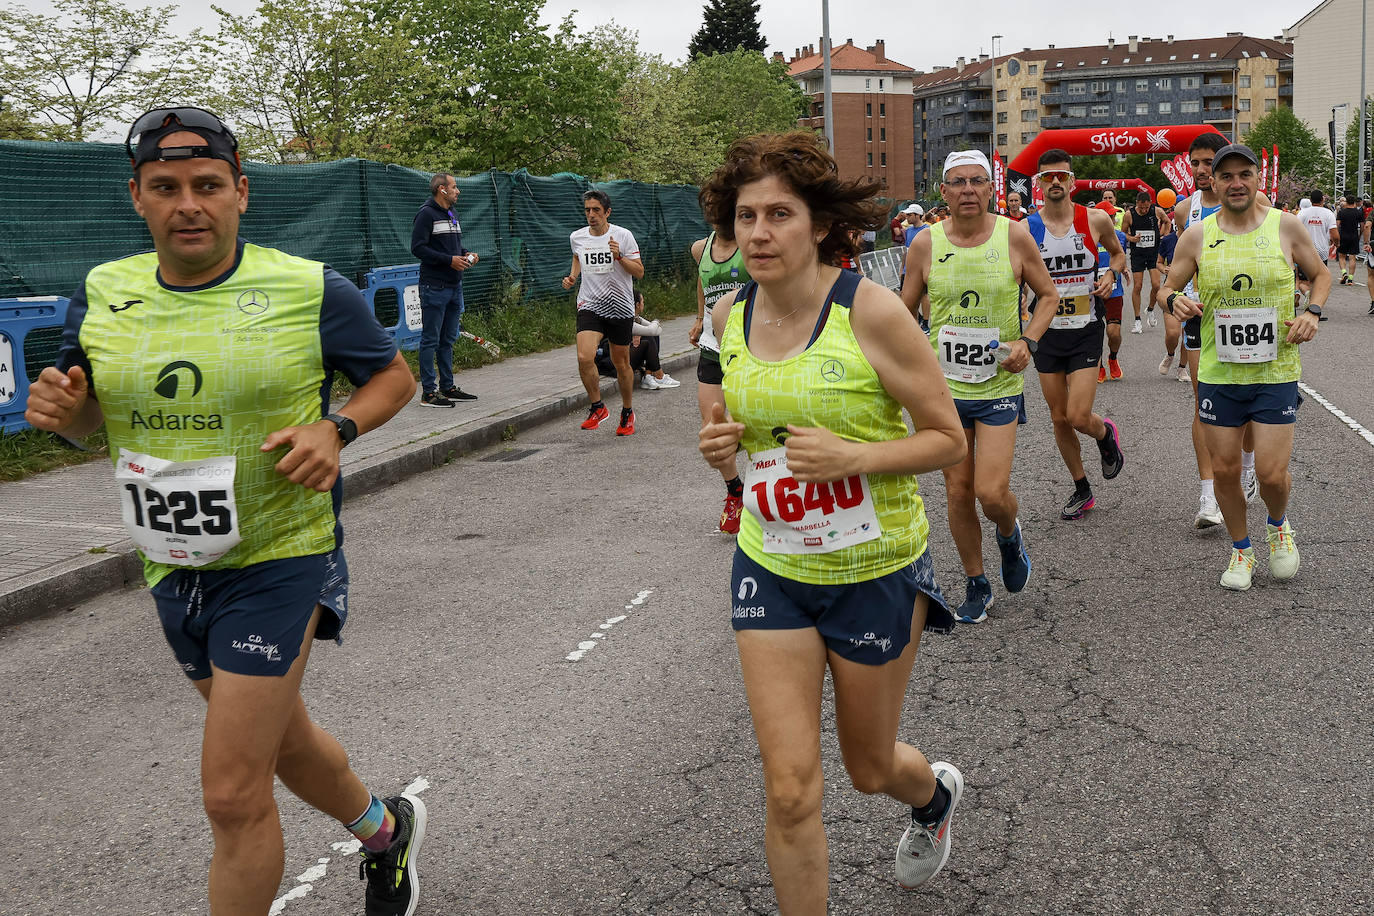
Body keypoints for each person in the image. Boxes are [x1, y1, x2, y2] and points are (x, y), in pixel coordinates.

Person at [24, 107, 424, 916]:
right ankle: (386, 833)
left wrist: (335, 428)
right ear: (136, 198)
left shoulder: (308, 287)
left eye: (208, 185)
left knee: (232, 794)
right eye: (165, 187)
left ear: (241, 192)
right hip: (172, 562)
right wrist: (67, 418)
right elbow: (88, 414)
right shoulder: (104, 292)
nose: (188, 204)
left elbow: (395, 378)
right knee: (285, 743)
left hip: (281, 557)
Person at [697, 131, 967, 911]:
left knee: (870, 768)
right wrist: (721, 453)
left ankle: (933, 797)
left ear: (818, 225)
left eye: (779, 214)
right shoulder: (727, 316)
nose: (758, 232)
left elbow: (947, 438)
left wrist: (853, 458)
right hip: (772, 565)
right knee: (788, 789)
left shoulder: (871, 312)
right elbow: (734, 443)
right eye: (745, 216)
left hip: (874, 570)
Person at [1158, 143, 1327, 590]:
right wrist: (1174, 299)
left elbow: (1321, 274)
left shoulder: (1285, 227)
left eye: (1244, 175)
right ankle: (1241, 549)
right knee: (1227, 471)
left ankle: (1278, 526)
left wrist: (1312, 312)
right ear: (1213, 182)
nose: (1236, 183)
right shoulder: (1196, 235)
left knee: (1271, 473)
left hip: (1276, 370)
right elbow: (1166, 286)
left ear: (1257, 180)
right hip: (1219, 372)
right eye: (1226, 176)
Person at [900, 149, 1059, 624]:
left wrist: (1027, 341)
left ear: (991, 190)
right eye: (958, 182)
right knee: (957, 491)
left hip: (997, 387)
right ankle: (977, 581)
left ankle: (1009, 533)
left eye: (977, 181)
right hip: (944, 391)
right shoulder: (924, 244)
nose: (968, 190)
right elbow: (902, 310)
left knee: (991, 493)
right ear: (943, 192)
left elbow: (1049, 296)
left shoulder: (1014, 237)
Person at [1024, 150, 1127, 520]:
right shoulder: (1024, 229)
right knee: (1058, 417)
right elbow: (1016, 277)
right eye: (1047, 177)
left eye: (1061, 176)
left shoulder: (1095, 219)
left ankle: (1104, 435)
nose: (1055, 182)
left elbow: (1117, 255)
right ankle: (1082, 487)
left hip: (1085, 328)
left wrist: (1110, 274)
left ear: (1072, 181)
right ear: (1039, 183)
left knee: (1078, 414)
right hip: (1046, 331)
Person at [1174, 132, 1263, 527]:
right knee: (1202, 401)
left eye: (1209, 163)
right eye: (1195, 163)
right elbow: (1177, 268)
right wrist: (1174, 296)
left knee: (1243, 407)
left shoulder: (1257, 203)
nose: (1201, 171)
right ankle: (1208, 495)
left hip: (1246, 317)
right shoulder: (1183, 211)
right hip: (1202, 317)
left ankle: (1246, 467)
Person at [563, 189, 645, 435]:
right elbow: (578, 257)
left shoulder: (623, 235)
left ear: (607, 212)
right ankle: (597, 406)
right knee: (584, 356)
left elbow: (639, 271)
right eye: (587, 210)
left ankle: (627, 411)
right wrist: (572, 277)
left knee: (621, 364)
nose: (591, 214)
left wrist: (619, 256)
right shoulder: (577, 236)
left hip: (620, 307)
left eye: (596, 210)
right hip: (590, 304)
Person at [691, 227, 752, 532]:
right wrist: (699, 318)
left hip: (751, 346)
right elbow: (703, 284)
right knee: (712, 431)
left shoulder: (751, 242)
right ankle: (735, 491)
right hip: (712, 347)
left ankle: (773, 490)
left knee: (756, 424)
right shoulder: (700, 248)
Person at [411, 172, 479, 406]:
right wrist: (448, 260)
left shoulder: (452, 213)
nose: (457, 191)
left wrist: (466, 254)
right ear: (442, 190)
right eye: (454, 186)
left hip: (454, 286)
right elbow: (418, 248)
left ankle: (447, 387)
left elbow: (454, 246)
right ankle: (428, 393)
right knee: (430, 339)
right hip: (434, 286)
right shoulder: (425, 214)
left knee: (448, 339)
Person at [1122, 190, 1168, 333]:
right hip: (1138, 254)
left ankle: (1150, 309)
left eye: (1146, 208)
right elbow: (1123, 233)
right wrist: (1132, 239)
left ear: (1150, 204)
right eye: (1141, 208)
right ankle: (1137, 320)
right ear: (1137, 204)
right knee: (1138, 286)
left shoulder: (1157, 211)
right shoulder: (1129, 215)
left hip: (1153, 253)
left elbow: (1167, 221)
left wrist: (1164, 235)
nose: (1144, 210)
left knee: (1156, 285)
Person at [1095, 225, 1130, 383]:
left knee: (1113, 333)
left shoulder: (1119, 236)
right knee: (1095, 333)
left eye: (1111, 216)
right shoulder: (1088, 234)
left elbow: (1120, 256)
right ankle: (1099, 366)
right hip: (1093, 292)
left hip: (1114, 291)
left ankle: (1113, 358)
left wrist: (1124, 269)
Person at [1156, 221, 1186, 375]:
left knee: (1189, 334)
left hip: (1193, 292)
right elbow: (1159, 263)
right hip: (1172, 290)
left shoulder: (1200, 237)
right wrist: (1164, 269)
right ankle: (1170, 354)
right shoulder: (1168, 240)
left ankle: (1182, 368)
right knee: (1173, 333)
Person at [1296, 192, 1337, 303]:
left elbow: (1295, 231)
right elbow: (1334, 233)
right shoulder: (1328, 213)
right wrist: (1337, 243)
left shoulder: (1302, 213)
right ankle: (1314, 303)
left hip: (1305, 252)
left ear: (1311, 200)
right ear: (1322, 200)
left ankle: (1308, 294)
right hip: (1322, 252)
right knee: (1318, 279)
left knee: (1302, 281)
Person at [1336, 195, 1364, 285]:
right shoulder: (1358, 212)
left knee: (1341, 256)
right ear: (1354, 202)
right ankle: (1351, 279)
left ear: (1346, 202)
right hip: (1354, 236)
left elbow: (1337, 225)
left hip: (1343, 235)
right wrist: (1359, 235)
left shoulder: (1341, 212)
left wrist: (1336, 236)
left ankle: (1344, 273)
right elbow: (1362, 226)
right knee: (1352, 257)